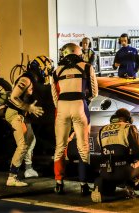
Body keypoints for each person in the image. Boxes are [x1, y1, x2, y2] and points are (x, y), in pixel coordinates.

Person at [51, 43, 98, 195]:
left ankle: (59, 183)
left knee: (60, 147)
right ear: (78, 53)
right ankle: (84, 185)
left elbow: (54, 98)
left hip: (62, 107)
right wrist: (85, 100)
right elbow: (94, 92)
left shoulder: (56, 70)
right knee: (83, 147)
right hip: (79, 105)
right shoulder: (87, 66)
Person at [5, 56, 52, 187]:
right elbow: (13, 97)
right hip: (14, 114)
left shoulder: (33, 79)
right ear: (39, 68)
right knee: (23, 144)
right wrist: (28, 107)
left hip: (22, 114)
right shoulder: (26, 79)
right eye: (46, 68)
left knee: (31, 140)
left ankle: (28, 169)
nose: (48, 71)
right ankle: (12, 177)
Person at [91, 108, 139, 203]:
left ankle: (107, 186)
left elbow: (100, 151)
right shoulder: (129, 127)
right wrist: (131, 158)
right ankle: (130, 186)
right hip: (124, 172)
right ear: (128, 118)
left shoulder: (102, 129)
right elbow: (138, 153)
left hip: (105, 172)